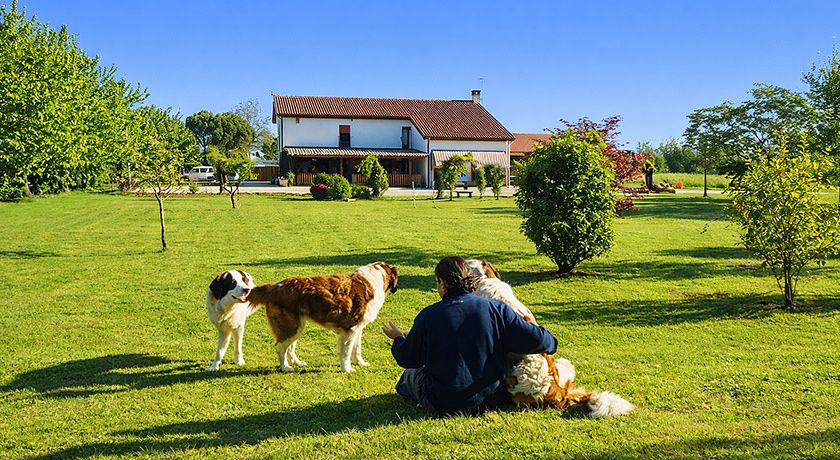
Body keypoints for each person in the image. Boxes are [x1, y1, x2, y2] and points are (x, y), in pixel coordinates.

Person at [382, 256, 558, 416]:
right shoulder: (497, 309)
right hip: (491, 399)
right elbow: (544, 342)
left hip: (443, 402)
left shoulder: (429, 315)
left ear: (441, 282)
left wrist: (399, 339)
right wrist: (535, 327)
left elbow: (408, 358)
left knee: (409, 376)